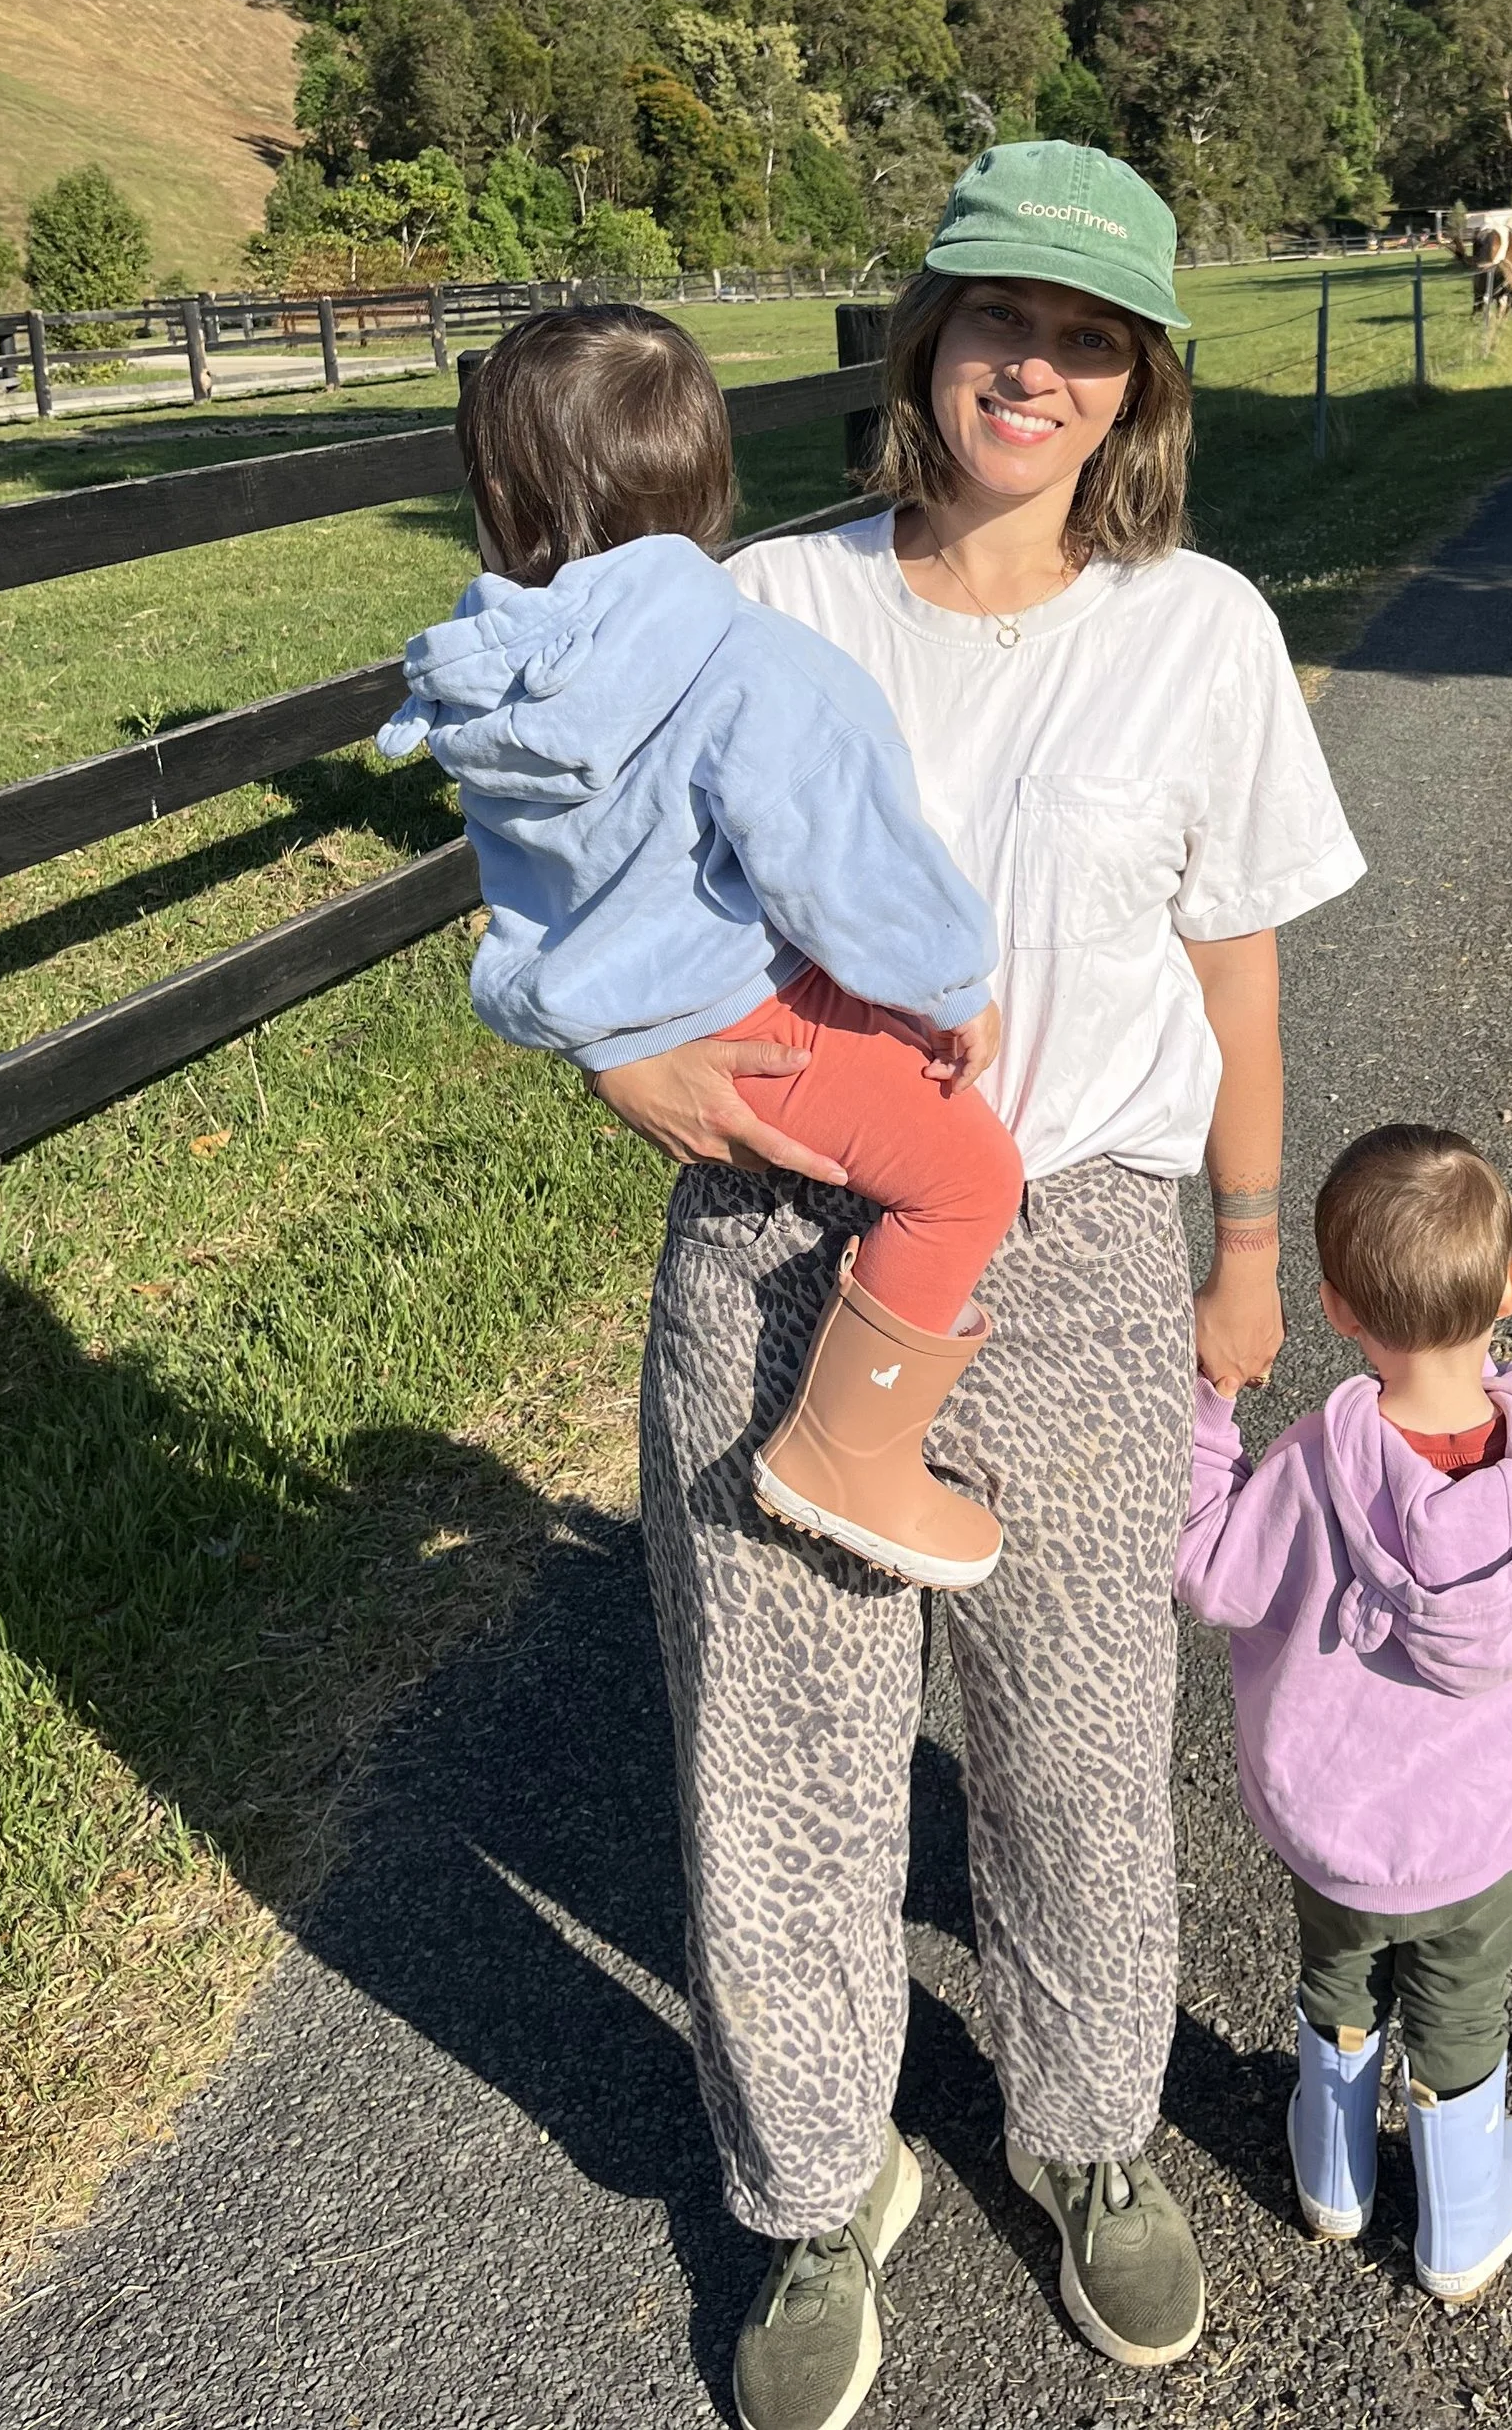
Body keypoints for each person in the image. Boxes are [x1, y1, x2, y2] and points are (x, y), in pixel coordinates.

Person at [585, 144, 1366, 2430]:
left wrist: (1245, 1243)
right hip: (776, 1242)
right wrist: (630, 1051)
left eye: (1093, 338)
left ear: (1139, 391)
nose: (1042, 367)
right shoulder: (766, 608)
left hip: (1096, 1242)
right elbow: (573, 858)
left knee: (1078, 1745)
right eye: (1003, 319)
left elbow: (1238, 968)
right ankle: (815, 2187)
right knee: (781, 1750)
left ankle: (1087, 2130)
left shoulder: (1198, 628)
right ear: (922, 341)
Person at [378, 305, 1024, 1588]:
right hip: (758, 1009)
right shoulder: (751, 665)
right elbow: (845, 864)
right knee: (967, 1181)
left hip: (633, 1019)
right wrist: (950, 983)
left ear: (498, 492)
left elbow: (527, 881)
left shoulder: (490, 687)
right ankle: (851, 1456)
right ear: (711, 476)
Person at [1176, 1123, 1512, 2305]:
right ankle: (1458, 2224)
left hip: (1338, 1833)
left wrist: (1212, 1408)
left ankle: (1333, 2174)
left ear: (1334, 1307)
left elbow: (1208, 1572)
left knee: (1339, 1977)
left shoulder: (1319, 1468)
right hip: (1488, 1832)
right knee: (1462, 2005)